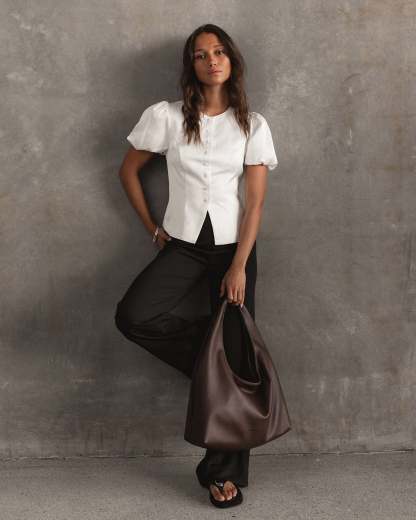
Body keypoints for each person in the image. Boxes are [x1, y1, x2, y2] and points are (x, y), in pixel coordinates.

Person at [114, 23, 279, 509]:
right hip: (183, 245)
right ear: (192, 65)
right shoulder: (166, 117)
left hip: (234, 251)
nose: (211, 60)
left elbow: (254, 205)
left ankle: (221, 472)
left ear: (232, 60)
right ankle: (218, 370)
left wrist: (239, 266)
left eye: (219, 51)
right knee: (134, 315)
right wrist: (153, 227)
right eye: (201, 54)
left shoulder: (253, 125)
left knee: (236, 350)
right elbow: (128, 170)